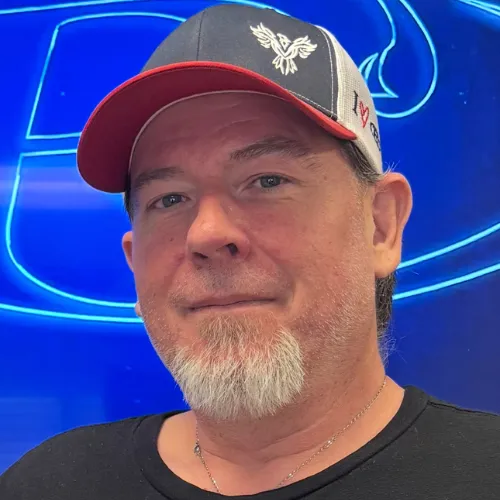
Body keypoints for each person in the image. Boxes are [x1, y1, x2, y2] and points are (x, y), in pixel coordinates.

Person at [1, 4, 499, 499]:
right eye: (169, 199)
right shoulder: (47, 485)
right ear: (135, 263)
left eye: (267, 180)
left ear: (380, 226)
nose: (206, 234)